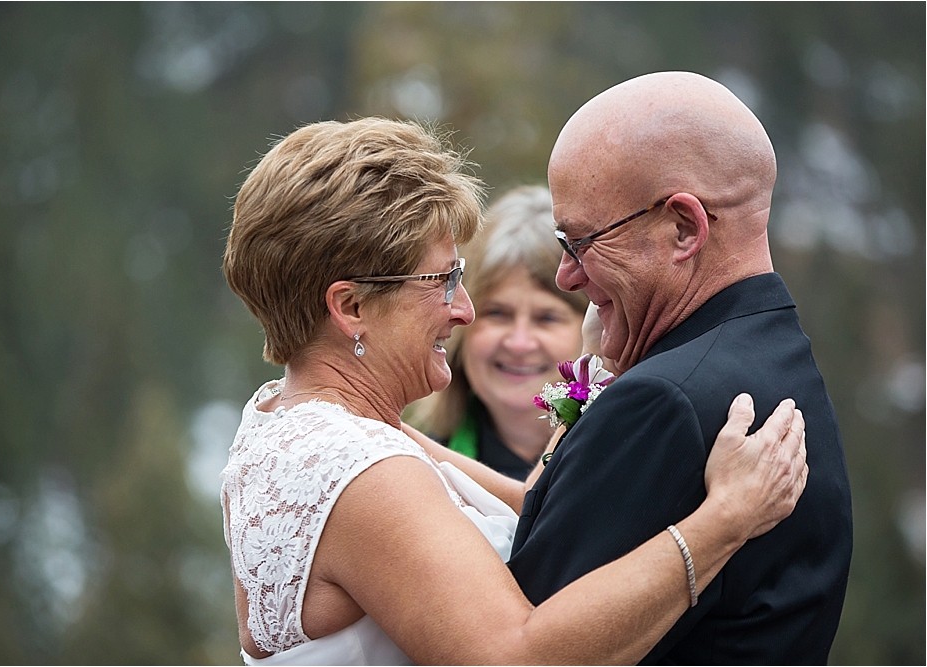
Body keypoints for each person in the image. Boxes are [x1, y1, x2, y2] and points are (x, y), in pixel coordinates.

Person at [220, 117, 808, 665]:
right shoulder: (359, 469)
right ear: (351, 307)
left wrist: (594, 371)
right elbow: (516, 656)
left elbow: (526, 508)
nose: (464, 311)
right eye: (443, 281)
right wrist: (724, 521)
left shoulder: (300, 421)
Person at [508, 72, 852, 664]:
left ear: (683, 228)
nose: (567, 275)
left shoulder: (665, 403)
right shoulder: (777, 356)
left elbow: (518, 639)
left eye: (581, 242)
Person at [409, 186, 588, 480]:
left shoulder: (630, 461)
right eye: (497, 313)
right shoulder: (416, 470)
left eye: (547, 318)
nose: (519, 343)